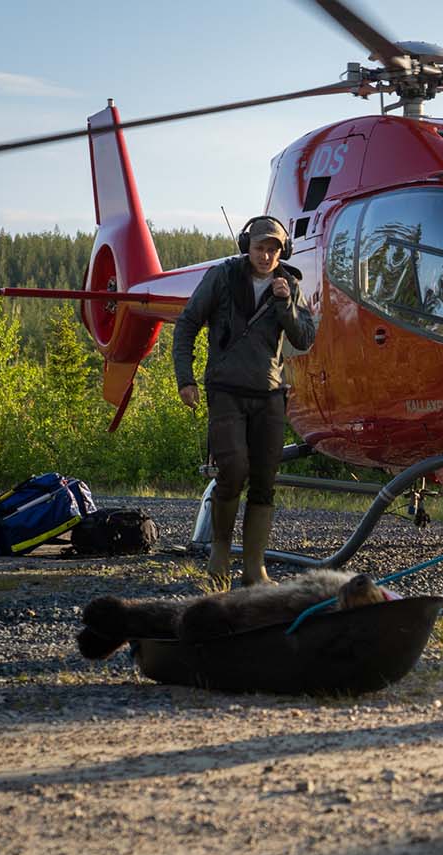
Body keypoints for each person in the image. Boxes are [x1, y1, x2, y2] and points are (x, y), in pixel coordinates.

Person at [173, 216, 316, 587]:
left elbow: (303, 339)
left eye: (274, 248)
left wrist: (285, 305)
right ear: (246, 246)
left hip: (269, 393)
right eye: (260, 247)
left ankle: (255, 569)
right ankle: (220, 554)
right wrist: (185, 380)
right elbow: (187, 324)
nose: (267, 255)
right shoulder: (222, 278)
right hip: (226, 390)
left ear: (282, 251)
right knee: (233, 469)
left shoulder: (290, 284)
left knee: (265, 480)